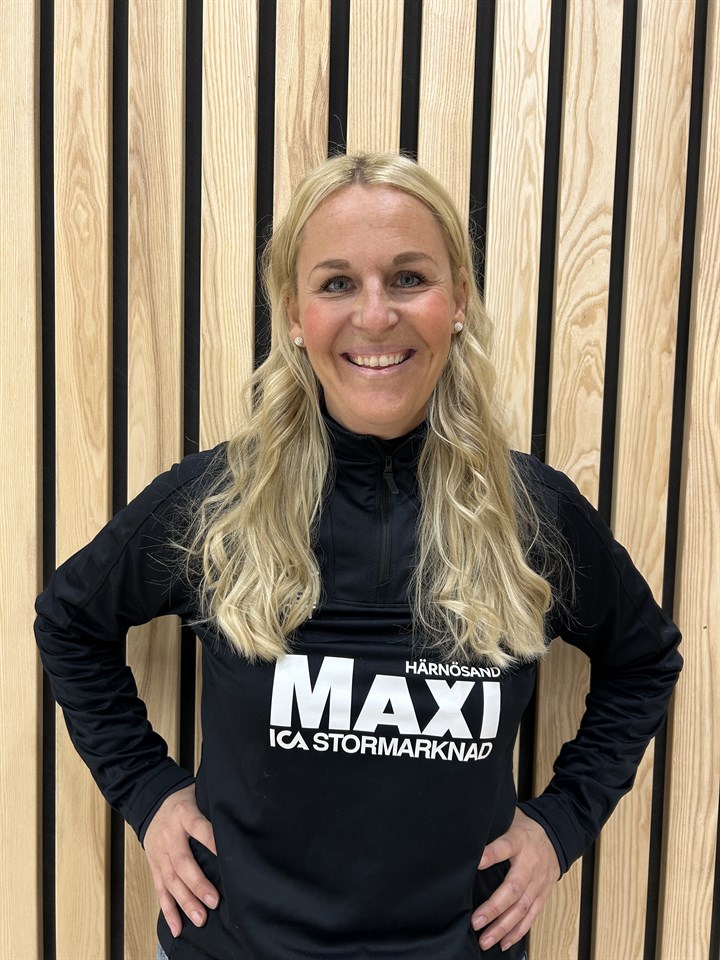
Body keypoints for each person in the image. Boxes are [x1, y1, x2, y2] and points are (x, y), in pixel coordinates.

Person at [35, 153, 682, 960]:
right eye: (337, 283)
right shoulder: (217, 501)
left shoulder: (532, 513)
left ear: (458, 302)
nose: (375, 316)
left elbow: (644, 660)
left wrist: (560, 826)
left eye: (409, 278)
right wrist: (148, 792)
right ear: (294, 314)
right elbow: (69, 622)